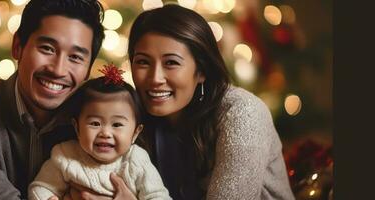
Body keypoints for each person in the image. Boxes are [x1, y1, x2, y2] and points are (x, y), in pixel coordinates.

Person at [0, 0, 105, 199]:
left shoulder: (100, 123)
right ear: (17, 47)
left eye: (75, 57)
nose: (58, 70)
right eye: (47, 49)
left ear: (88, 71)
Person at [126, 4, 296, 200]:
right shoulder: (129, 114)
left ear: (202, 71)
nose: (155, 78)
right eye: (143, 62)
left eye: (171, 62)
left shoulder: (243, 112)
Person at [29, 65, 171, 200]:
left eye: (117, 124)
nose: (105, 133)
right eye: (95, 123)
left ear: (135, 133)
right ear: (77, 127)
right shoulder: (65, 155)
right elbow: (41, 187)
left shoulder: (136, 161)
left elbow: (158, 196)